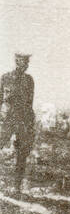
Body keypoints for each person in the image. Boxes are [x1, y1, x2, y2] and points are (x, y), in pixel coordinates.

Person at [0, 52, 35, 192]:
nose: (26, 64)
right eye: (23, 61)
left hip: (24, 120)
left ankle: (17, 187)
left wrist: (30, 123)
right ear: (16, 61)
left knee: (22, 153)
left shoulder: (29, 80)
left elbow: (29, 103)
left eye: (27, 62)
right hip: (8, 119)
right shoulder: (6, 78)